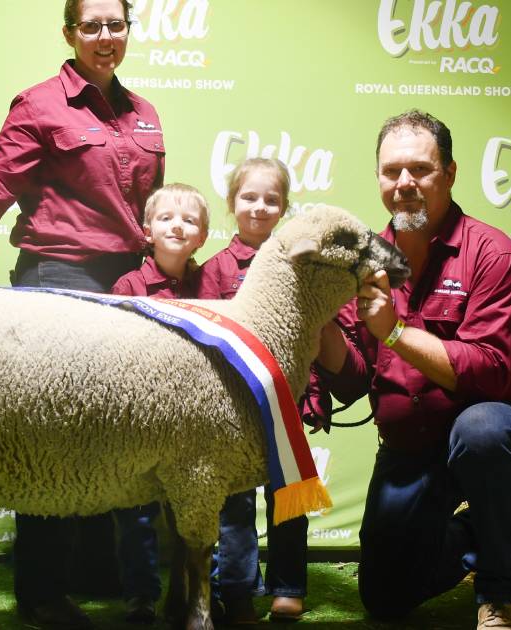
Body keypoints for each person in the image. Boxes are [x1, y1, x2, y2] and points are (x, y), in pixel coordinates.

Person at [0, 1, 164, 626]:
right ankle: (42, 591)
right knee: (52, 436)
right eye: (92, 25)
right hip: (57, 279)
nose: (106, 36)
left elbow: (153, 210)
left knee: (116, 430)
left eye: (116, 24)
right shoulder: (39, 104)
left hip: (129, 284)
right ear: (71, 33)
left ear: (128, 31)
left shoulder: (146, 114)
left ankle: (100, 572)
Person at [312, 110, 511, 630]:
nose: (403, 185)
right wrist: (320, 325)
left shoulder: (492, 254)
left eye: (419, 170)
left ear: (450, 174)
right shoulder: (365, 260)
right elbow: (352, 380)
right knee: (384, 596)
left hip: (495, 433)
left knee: (484, 429)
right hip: (411, 447)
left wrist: (395, 332)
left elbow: (489, 372)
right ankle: (484, 533)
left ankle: (501, 594)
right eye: (390, 171)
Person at [199, 158, 309, 623]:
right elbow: (201, 342)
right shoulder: (213, 270)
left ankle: (288, 586)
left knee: (290, 492)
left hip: (285, 402)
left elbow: (310, 335)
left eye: (272, 199)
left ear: (284, 207)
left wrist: (314, 393)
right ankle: (238, 590)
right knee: (234, 503)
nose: (260, 207)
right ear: (231, 203)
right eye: (249, 197)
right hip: (232, 409)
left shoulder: (301, 265)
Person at [110, 183, 209, 624]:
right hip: (140, 420)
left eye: (189, 220)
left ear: (203, 236)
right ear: (147, 229)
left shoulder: (211, 285)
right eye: (166, 217)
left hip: (192, 423)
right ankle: (140, 595)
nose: (177, 225)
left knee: (194, 512)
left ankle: (190, 592)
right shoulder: (128, 285)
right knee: (136, 512)